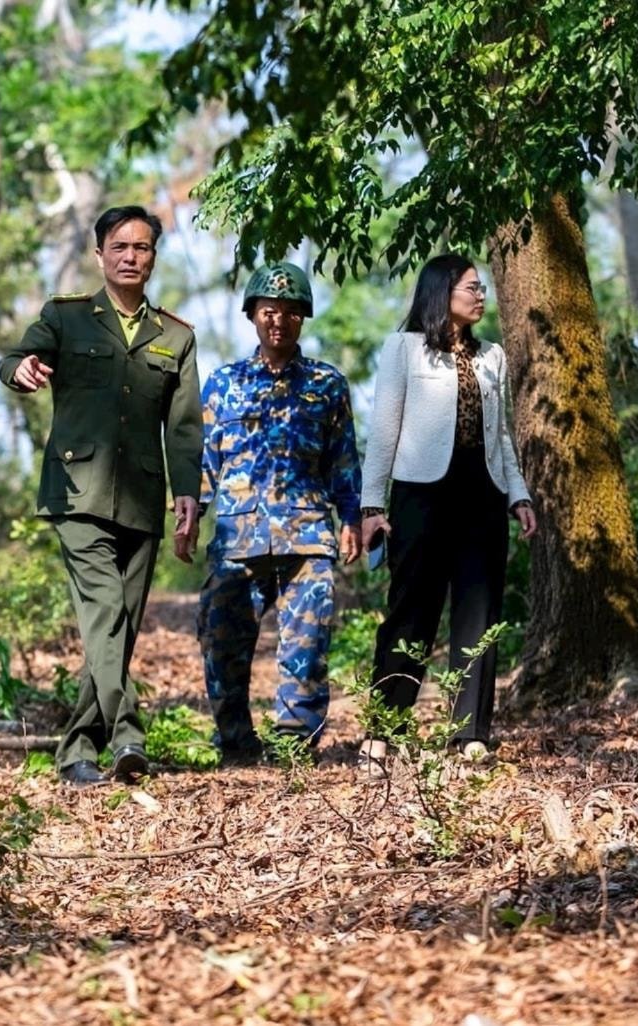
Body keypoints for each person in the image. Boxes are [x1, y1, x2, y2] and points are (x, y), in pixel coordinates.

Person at [0, 206, 203, 787]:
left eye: (142, 247)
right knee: (106, 613)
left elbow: (185, 427)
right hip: (77, 493)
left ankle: (77, 752)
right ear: (100, 255)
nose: (131, 256)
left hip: (142, 497)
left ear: (153, 258)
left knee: (114, 631)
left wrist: (188, 494)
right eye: (120, 247)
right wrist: (24, 372)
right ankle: (129, 736)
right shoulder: (66, 319)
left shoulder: (178, 337)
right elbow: (13, 360)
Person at [358, 253, 536, 766]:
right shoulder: (404, 349)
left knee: (478, 615)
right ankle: (383, 730)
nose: (481, 296)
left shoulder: (492, 356)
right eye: (471, 288)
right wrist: (372, 505)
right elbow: (383, 430)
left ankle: (470, 734)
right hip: (421, 494)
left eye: (482, 289)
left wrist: (518, 493)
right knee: (411, 610)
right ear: (442, 293)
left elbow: (500, 436)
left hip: (483, 493)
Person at [197, 263, 362, 764]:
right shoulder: (223, 384)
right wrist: (189, 513)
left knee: (306, 648)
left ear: (303, 319)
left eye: (291, 313)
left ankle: (295, 745)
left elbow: (344, 459)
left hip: (308, 536)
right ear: (252, 315)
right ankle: (236, 745)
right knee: (221, 643)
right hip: (236, 540)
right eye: (270, 311)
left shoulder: (327, 385)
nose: (280, 322)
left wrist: (353, 516)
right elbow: (205, 458)